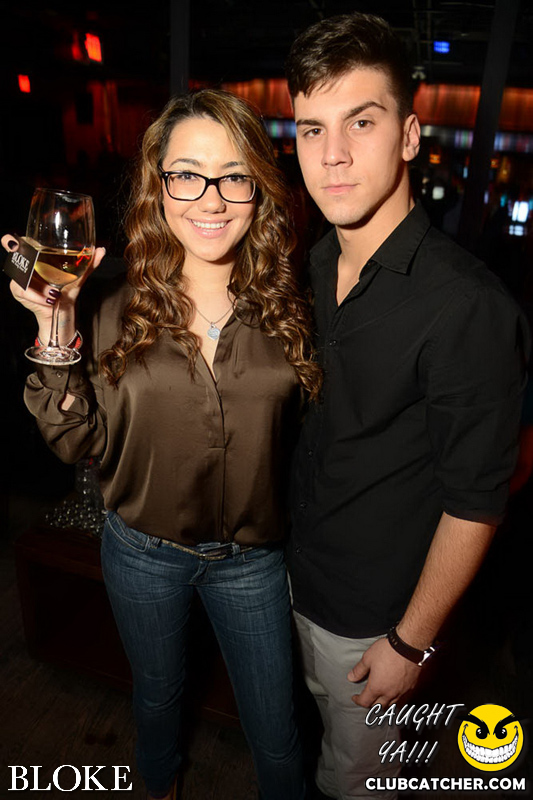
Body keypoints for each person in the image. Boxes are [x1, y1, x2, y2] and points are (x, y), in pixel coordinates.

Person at [5, 89, 322, 800]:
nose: (210, 198)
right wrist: (55, 326)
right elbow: (74, 443)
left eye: (233, 176)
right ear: (158, 185)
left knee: (278, 733)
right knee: (156, 699)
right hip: (141, 554)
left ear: (258, 188)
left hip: (253, 563)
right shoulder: (112, 307)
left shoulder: (293, 308)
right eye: (187, 174)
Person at [284, 13, 529, 800]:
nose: (332, 154)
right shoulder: (312, 263)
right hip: (294, 582)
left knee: (358, 786)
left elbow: (475, 503)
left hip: (373, 623)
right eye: (312, 128)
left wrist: (409, 644)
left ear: (410, 136)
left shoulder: (465, 306)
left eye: (361, 122)